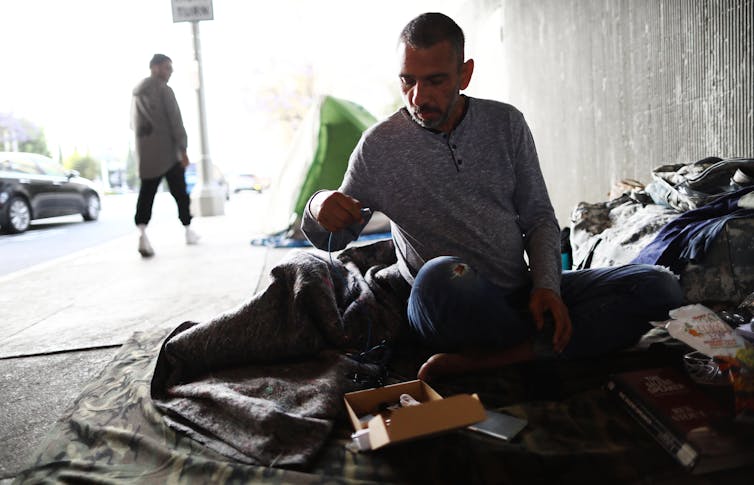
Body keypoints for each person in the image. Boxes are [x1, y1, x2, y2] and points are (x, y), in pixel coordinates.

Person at [301, 13, 683, 381]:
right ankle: (551, 345)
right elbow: (332, 236)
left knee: (660, 286)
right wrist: (319, 204)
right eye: (408, 81)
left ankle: (496, 359)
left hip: (519, 293)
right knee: (441, 274)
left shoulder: (506, 124)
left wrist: (547, 286)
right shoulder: (379, 147)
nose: (419, 97)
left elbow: (538, 217)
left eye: (435, 81)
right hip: (448, 303)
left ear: (465, 74)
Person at [131, 53, 199, 257]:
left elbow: (132, 125)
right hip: (168, 154)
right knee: (180, 193)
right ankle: (188, 230)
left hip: (146, 154)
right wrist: (183, 150)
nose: (170, 72)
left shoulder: (136, 93)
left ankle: (142, 234)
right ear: (155, 67)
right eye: (167, 68)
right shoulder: (164, 90)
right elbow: (175, 122)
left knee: (146, 195)